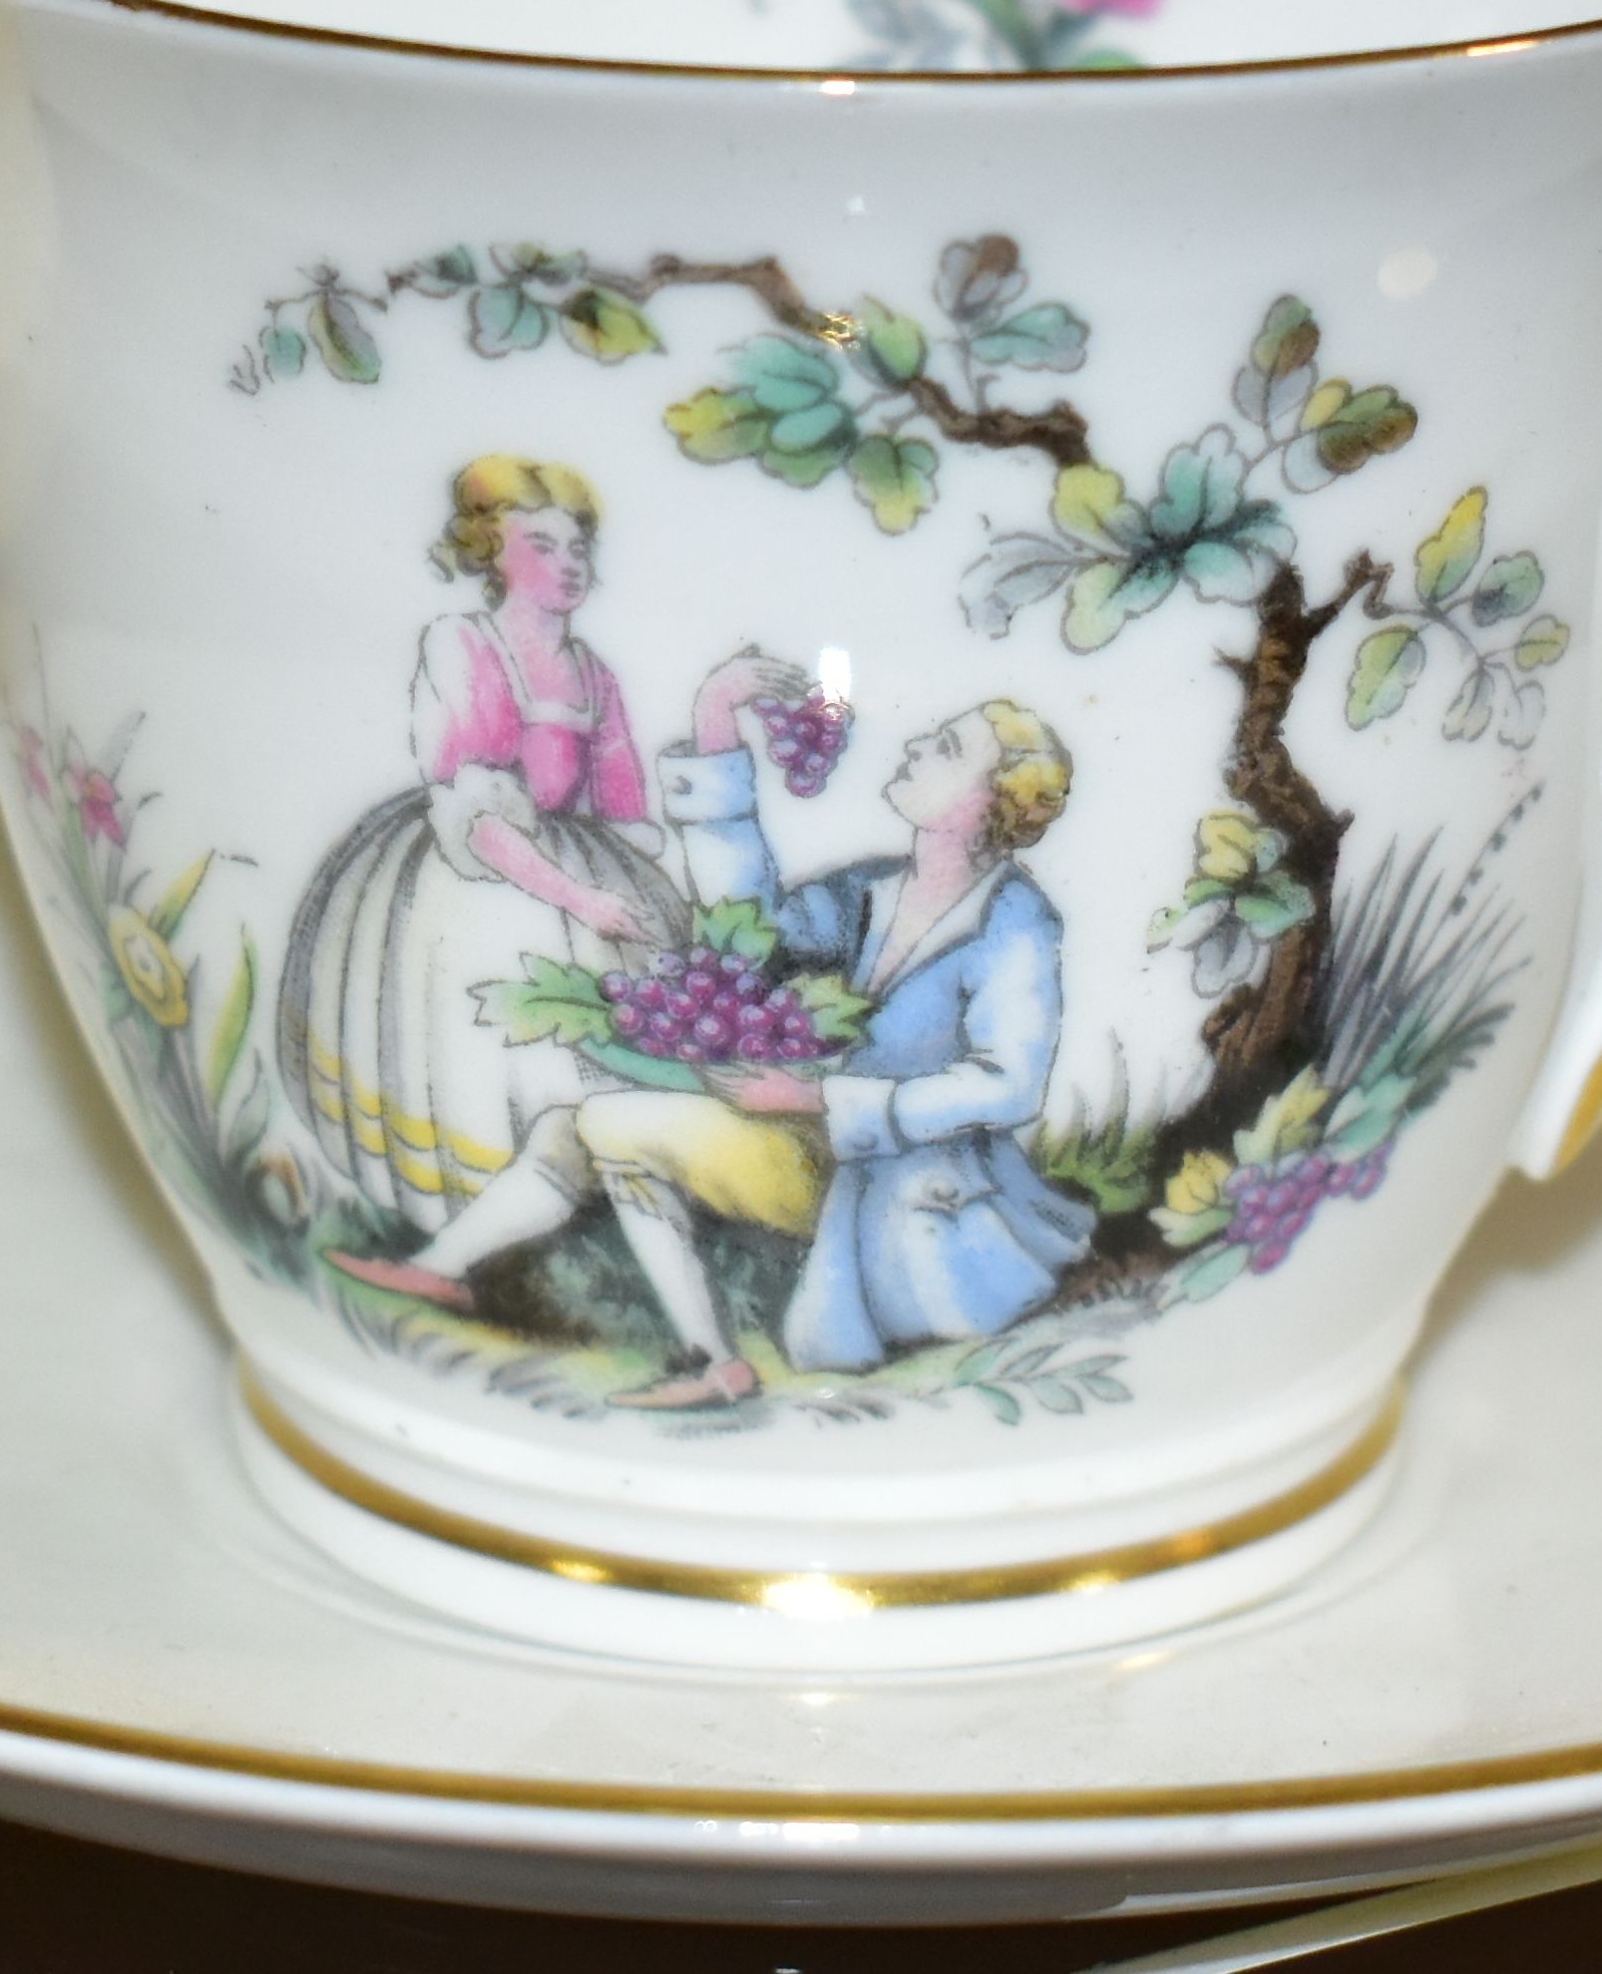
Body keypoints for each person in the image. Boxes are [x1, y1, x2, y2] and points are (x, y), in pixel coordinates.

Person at [339, 661, 1093, 1408]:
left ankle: (714, 1358)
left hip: (897, 1177)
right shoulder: (872, 890)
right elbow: (751, 930)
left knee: (610, 1126)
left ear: (990, 802)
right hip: (818, 1140)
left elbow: (1008, 1083)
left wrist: (820, 1094)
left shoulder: (1013, 926)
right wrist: (715, 724)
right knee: (567, 1131)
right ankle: (448, 1271)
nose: (919, 746)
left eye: (949, 750)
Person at [279, 459, 684, 1229]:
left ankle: (597, 1195)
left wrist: (616, 883)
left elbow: (620, 792)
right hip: (478, 865)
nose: (568, 566)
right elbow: (478, 812)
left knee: (604, 1028)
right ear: (489, 552)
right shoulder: (464, 647)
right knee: (479, 1029)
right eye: (542, 544)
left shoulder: (594, 673)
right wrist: (580, 898)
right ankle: (478, 1207)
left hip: (575, 859)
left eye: (577, 549)